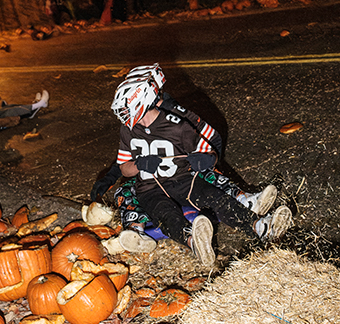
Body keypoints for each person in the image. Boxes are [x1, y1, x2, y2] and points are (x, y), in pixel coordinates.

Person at [106, 64, 293, 266]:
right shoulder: (127, 130)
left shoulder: (178, 125)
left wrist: (206, 159)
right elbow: (124, 167)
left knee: (215, 199)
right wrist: (139, 165)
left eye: (129, 112)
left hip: (183, 180)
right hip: (149, 188)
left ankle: (261, 227)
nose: (127, 119)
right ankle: (194, 242)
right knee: (165, 214)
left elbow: (210, 151)